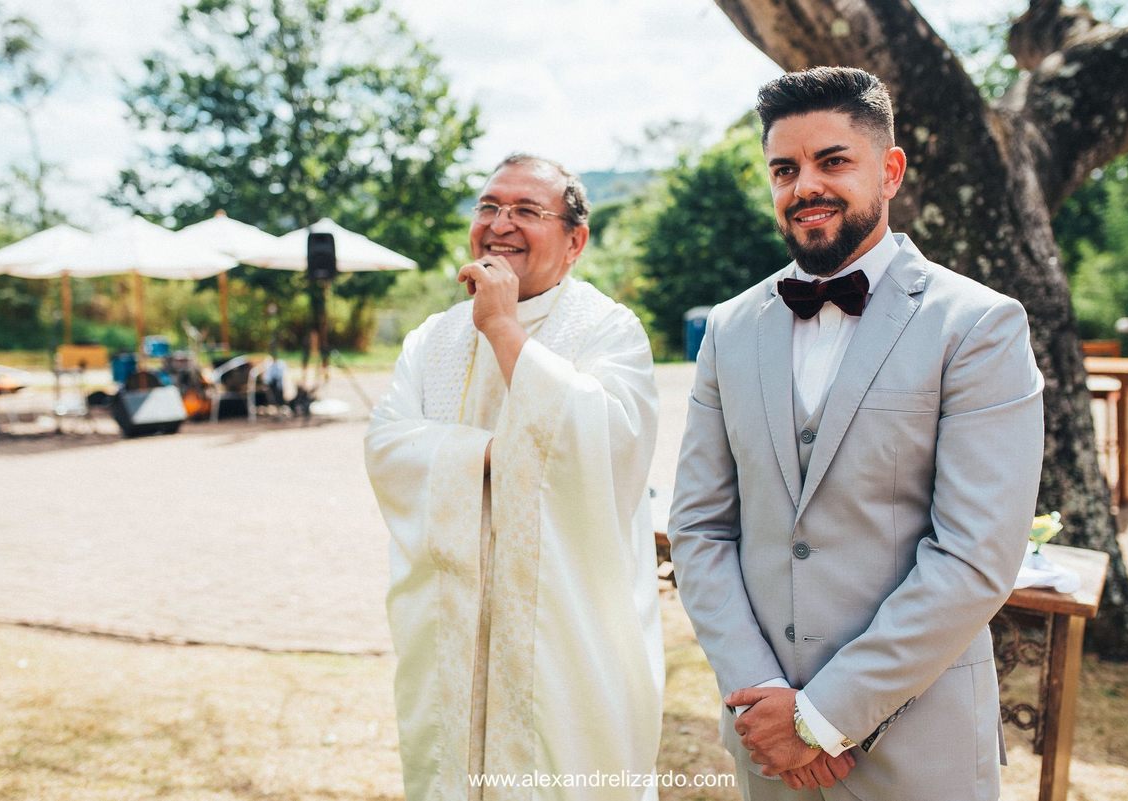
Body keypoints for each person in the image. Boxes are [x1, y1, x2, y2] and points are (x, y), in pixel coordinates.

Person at [667, 67, 1044, 801]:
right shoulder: (729, 329)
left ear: (890, 169)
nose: (805, 185)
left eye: (833, 160)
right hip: (765, 743)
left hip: (919, 747)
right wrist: (762, 694)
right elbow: (700, 528)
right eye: (785, 168)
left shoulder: (979, 325)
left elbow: (975, 555)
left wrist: (823, 716)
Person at [366, 154, 664, 800]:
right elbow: (388, 448)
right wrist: (495, 457)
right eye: (488, 207)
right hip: (450, 638)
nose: (500, 225)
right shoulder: (430, 339)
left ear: (576, 241)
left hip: (569, 649)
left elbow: (609, 450)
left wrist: (502, 326)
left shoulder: (610, 332)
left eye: (527, 211)